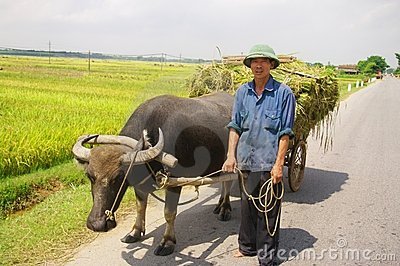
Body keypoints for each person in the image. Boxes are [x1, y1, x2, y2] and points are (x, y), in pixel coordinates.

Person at [222, 44, 296, 265]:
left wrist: (278, 165)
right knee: (247, 206)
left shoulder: (284, 94)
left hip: (268, 161)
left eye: (263, 61)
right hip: (246, 160)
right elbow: (235, 126)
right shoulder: (243, 92)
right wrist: (230, 156)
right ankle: (246, 247)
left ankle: (267, 257)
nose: (259, 65)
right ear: (250, 66)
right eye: (255, 61)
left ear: (271, 65)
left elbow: (285, 133)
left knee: (268, 211)